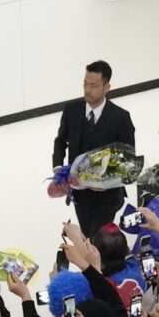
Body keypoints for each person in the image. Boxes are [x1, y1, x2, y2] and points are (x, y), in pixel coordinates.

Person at [53, 59, 139, 233]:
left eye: (93, 85)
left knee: (99, 238)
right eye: (85, 84)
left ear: (106, 87)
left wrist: (106, 182)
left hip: (107, 195)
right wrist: (57, 168)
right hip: (79, 193)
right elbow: (60, 141)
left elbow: (129, 160)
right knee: (87, 233)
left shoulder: (121, 118)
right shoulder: (72, 110)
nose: (87, 90)